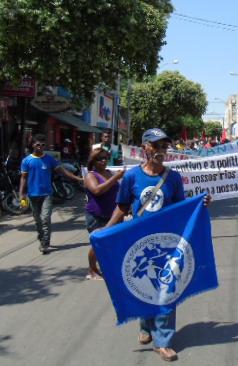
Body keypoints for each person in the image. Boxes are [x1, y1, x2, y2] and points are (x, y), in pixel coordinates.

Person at [104, 128, 210, 362]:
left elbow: (180, 209)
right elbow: (122, 207)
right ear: (145, 148)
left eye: (164, 146)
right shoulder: (132, 177)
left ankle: (163, 341)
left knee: (165, 289)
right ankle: (145, 325)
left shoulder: (173, 178)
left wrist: (199, 205)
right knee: (143, 288)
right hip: (138, 244)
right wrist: (106, 231)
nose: (161, 151)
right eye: (156, 146)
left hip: (166, 245)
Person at [19, 134, 83, 254]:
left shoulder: (49, 160)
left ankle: (45, 243)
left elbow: (63, 171)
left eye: (43, 145)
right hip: (32, 195)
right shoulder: (26, 161)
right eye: (38, 144)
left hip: (47, 194)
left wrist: (77, 179)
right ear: (33, 145)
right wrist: (21, 194)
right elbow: (23, 178)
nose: (40, 147)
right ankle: (41, 236)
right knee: (38, 220)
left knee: (45, 218)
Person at [84, 148, 125, 279]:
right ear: (93, 161)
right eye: (100, 159)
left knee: (112, 243)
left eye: (105, 158)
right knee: (98, 244)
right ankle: (92, 269)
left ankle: (109, 268)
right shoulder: (91, 175)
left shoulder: (109, 172)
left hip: (113, 215)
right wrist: (116, 178)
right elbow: (97, 191)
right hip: (96, 216)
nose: (103, 161)